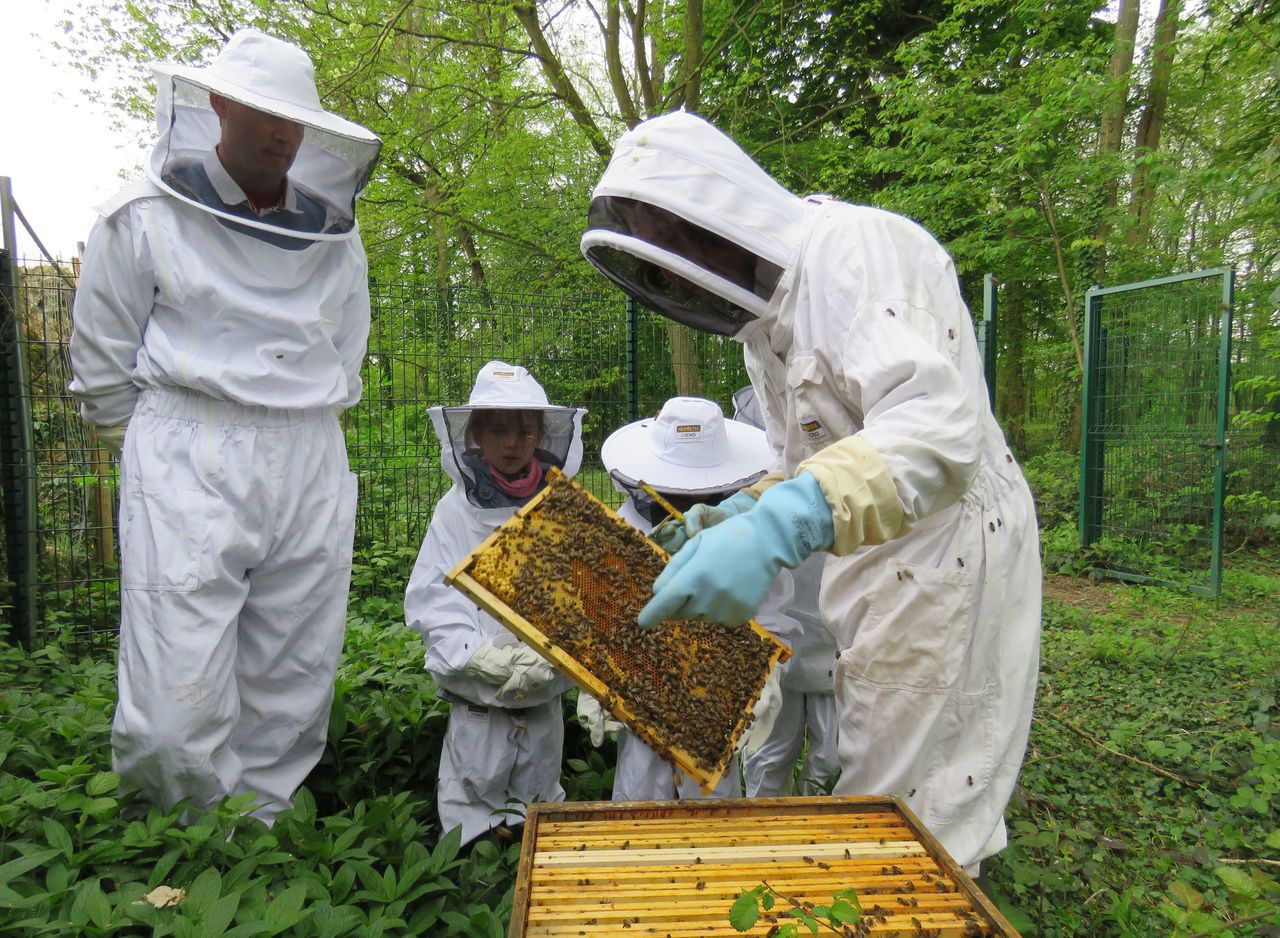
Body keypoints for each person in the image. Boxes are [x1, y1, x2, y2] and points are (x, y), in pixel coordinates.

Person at [579, 111, 1041, 873]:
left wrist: (777, 526)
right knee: (882, 773)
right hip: (878, 549)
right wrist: (743, 508)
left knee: (911, 812)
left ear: (713, 216)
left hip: (942, 547)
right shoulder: (772, 317)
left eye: (674, 252)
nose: (678, 281)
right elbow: (823, 458)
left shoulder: (861, 253)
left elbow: (937, 430)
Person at [67, 29, 381, 823]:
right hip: (186, 446)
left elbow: (344, 350)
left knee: (294, 658)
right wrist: (155, 454)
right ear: (217, 106)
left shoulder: (334, 238)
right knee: (177, 669)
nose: (283, 135)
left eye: (295, 122)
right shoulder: (139, 217)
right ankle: (182, 837)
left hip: (309, 446)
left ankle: (262, 830)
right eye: (265, 116)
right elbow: (102, 367)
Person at [404, 361, 587, 845]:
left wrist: (553, 656)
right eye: (499, 431)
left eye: (525, 431)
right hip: (477, 700)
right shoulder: (453, 513)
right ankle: (474, 866)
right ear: (475, 438)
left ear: (542, 436)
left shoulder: (560, 506)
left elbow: (583, 595)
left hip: (544, 690)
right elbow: (431, 597)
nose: (512, 444)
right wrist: (477, 655)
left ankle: (530, 850)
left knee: (539, 803)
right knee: (474, 803)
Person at [585, 395, 789, 801]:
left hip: (715, 720)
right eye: (672, 490)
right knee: (638, 840)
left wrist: (765, 674)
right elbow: (597, 617)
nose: (683, 502)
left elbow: (775, 615)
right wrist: (596, 676)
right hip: (641, 718)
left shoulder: (745, 532)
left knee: (711, 841)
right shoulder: (619, 532)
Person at [732, 386, 840, 798]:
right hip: (775, 633)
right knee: (767, 754)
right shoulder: (761, 469)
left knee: (833, 760)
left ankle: (822, 845)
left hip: (838, 638)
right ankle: (768, 840)